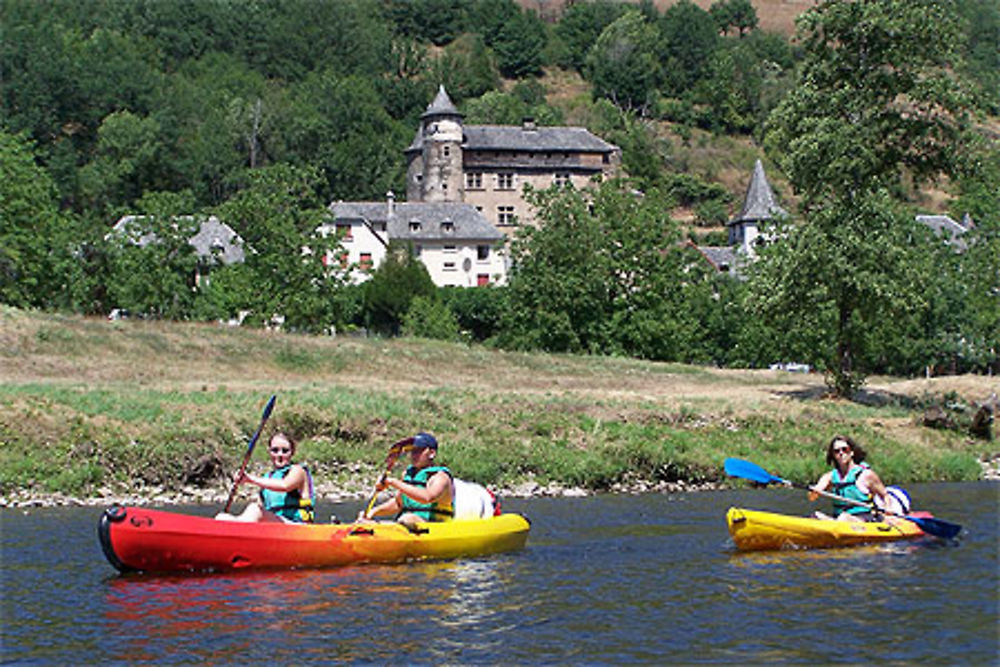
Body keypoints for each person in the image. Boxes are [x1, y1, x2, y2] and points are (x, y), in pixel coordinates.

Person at [215, 432, 315, 523]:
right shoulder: (268, 478)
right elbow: (261, 507)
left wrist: (250, 479)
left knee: (254, 509)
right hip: (273, 527)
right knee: (221, 517)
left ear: (292, 452)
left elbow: (285, 485)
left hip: (298, 526)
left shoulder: (298, 471)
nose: (279, 455)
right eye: (275, 450)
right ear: (269, 451)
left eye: (285, 451)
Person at [360, 432, 454, 527]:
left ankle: (377, 526)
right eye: (412, 451)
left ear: (432, 453)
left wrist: (393, 482)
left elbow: (427, 497)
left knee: (407, 518)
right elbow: (399, 504)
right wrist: (373, 512)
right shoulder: (407, 474)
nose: (414, 455)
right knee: (365, 517)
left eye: (419, 451)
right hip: (408, 524)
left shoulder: (440, 477)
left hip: (436, 525)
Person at [810, 435, 889, 522]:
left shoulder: (866, 475)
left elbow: (885, 495)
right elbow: (813, 496)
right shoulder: (829, 477)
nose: (841, 453)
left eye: (844, 449)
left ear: (851, 452)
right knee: (816, 516)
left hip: (863, 519)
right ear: (833, 455)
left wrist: (887, 512)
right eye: (837, 451)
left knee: (844, 518)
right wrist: (815, 492)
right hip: (839, 519)